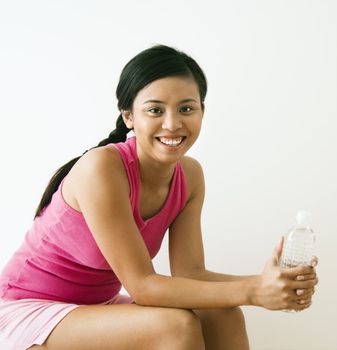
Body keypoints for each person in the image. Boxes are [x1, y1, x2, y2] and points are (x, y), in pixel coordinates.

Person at [0, 44, 319, 350]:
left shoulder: (190, 176)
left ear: (202, 112)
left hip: (93, 308)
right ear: (129, 117)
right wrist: (254, 292)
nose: (172, 123)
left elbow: (191, 273)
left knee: (223, 313)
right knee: (175, 327)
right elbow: (142, 285)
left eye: (186, 108)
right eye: (155, 109)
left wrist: (270, 283)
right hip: (27, 310)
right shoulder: (101, 168)